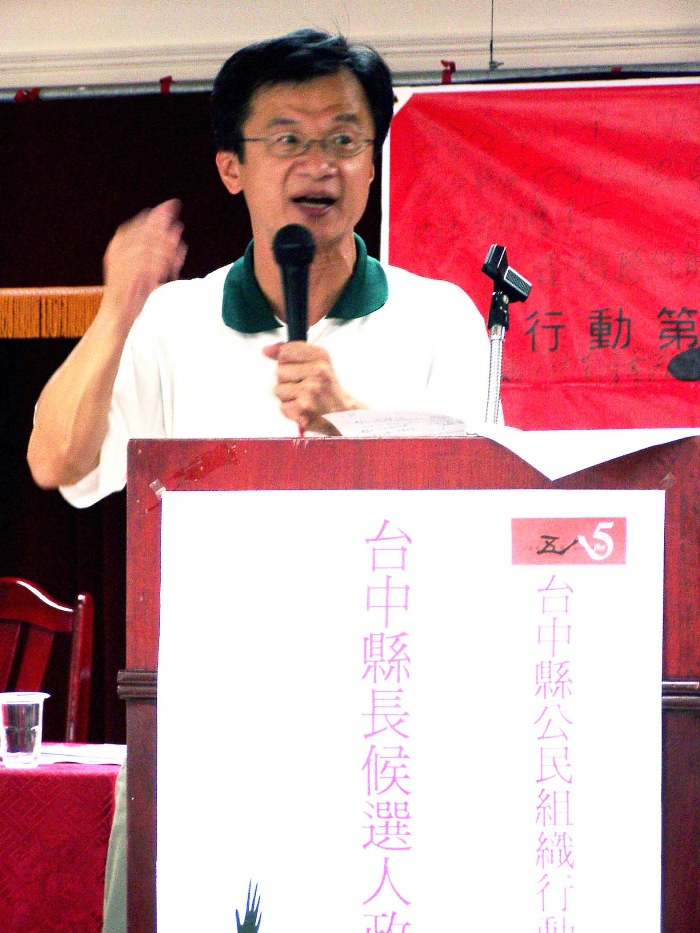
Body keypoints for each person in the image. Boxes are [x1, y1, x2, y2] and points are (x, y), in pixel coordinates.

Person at [27, 28, 492, 933]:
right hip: (207, 723)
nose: (319, 163)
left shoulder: (441, 319)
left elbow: (478, 518)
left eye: (345, 138)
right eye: (287, 138)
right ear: (232, 168)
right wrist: (121, 306)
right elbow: (58, 462)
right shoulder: (174, 320)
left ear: (372, 162)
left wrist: (350, 419)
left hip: (385, 728)